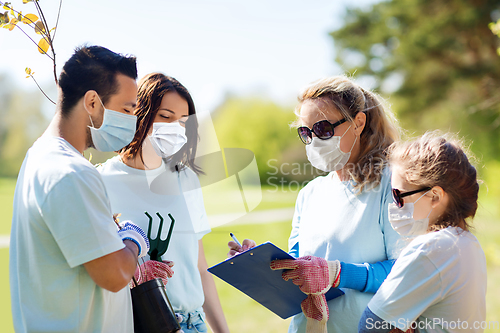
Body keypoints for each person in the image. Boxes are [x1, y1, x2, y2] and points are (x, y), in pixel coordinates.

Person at [228, 76, 402, 332]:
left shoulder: (392, 185)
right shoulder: (310, 194)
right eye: (306, 132)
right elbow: (298, 271)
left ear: (358, 123)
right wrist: (262, 264)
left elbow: (407, 271)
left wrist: (337, 273)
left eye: (323, 129)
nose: (314, 140)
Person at [9, 45, 150, 333]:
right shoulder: (71, 173)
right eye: (126, 109)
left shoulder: (39, 157)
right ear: (92, 103)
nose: (131, 123)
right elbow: (115, 275)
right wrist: (133, 237)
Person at [97, 72, 230, 333]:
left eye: (182, 121)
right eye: (165, 117)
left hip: (195, 324)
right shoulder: (102, 182)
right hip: (143, 325)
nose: (174, 128)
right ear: (139, 114)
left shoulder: (186, 179)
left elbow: (200, 269)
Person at [358, 132, 486, 333]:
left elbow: (370, 326)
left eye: (398, 195)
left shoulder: (429, 248)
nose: (393, 205)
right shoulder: (469, 243)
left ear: (435, 196)